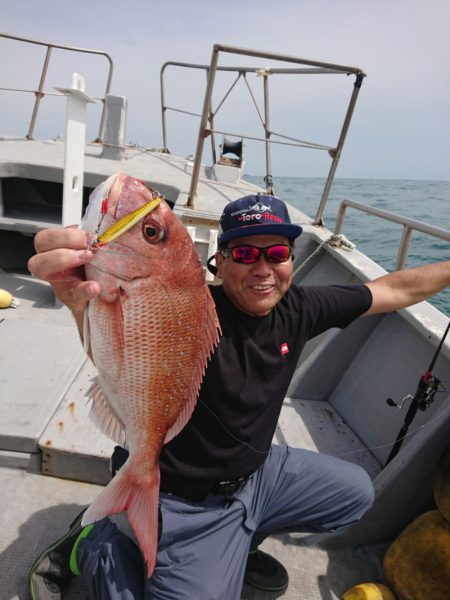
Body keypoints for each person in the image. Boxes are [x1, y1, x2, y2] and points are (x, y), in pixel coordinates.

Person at [28, 193, 450, 600]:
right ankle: (95, 541)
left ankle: (239, 538)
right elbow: (122, 346)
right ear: (221, 262)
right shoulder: (185, 311)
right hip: (179, 495)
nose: (263, 268)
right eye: (246, 254)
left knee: (355, 493)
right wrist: (77, 302)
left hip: (257, 474)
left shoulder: (300, 307)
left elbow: (396, 291)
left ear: (291, 259)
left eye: (277, 253)